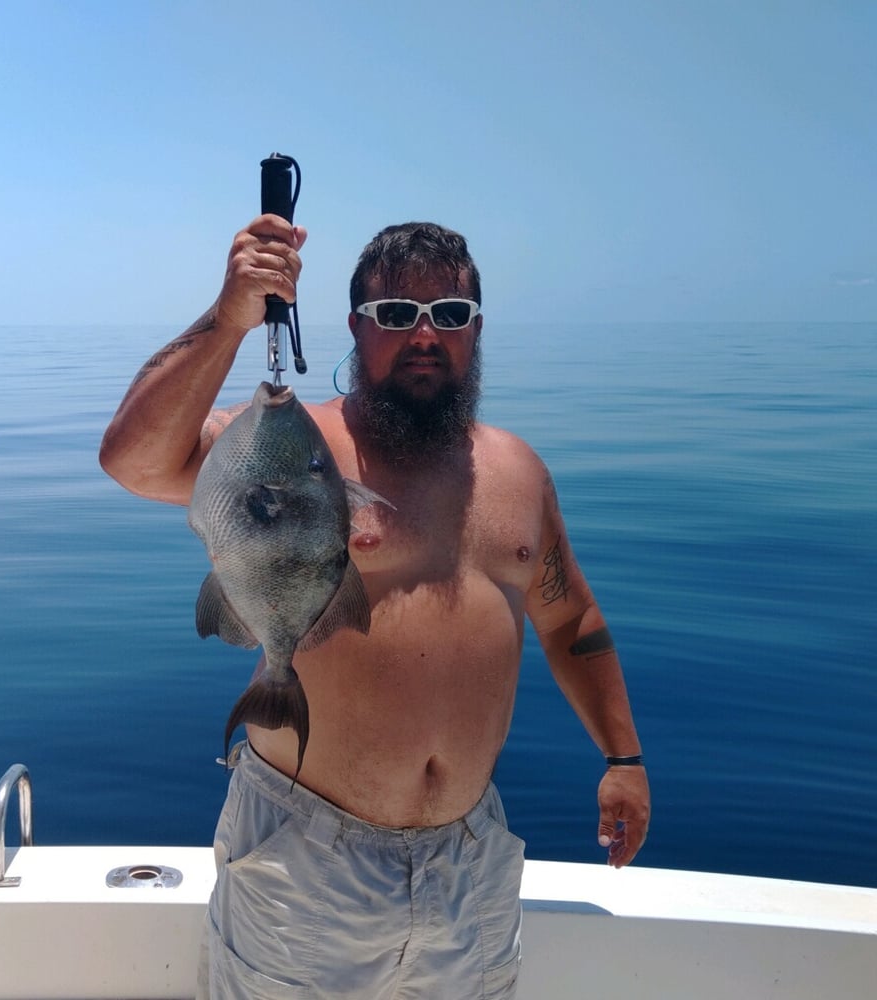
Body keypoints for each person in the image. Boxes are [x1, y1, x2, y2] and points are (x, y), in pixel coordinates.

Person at [100, 215, 650, 999]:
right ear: (357, 327)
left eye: (450, 316)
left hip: (468, 862)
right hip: (303, 858)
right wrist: (230, 317)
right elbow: (134, 461)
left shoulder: (519, 472)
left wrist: (623, 759)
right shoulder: (288, 449)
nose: (425, 334)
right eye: (397, 315)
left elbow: (571, 623)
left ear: (476, 330)